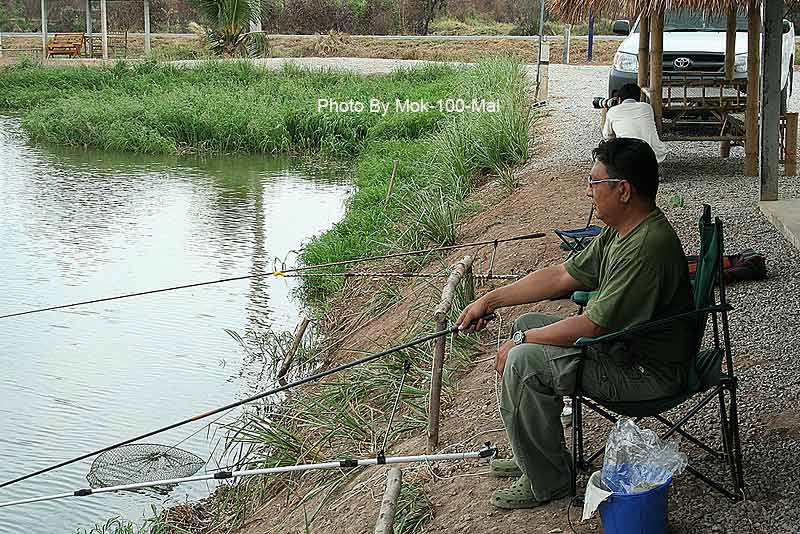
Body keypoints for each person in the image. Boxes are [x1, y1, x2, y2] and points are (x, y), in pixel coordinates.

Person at [456, 138, 694, 510]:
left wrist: (522, 339)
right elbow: (561, 276)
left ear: (624, 190)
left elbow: (592, 327)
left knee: (523, 360)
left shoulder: (646, 247)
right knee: (528, 323)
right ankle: (534, 458)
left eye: (594, 182)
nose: (588, 192)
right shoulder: (623, 231)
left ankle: (547, 481)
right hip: (622, 351)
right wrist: (488, 300)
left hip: (645, 372)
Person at [602, 83, 667, 164]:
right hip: (654, 155)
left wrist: (605, 112)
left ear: (619, 99)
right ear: (639, 97)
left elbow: (607, 135)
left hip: (627, 156)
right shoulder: (647, 107)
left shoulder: (612, 111)